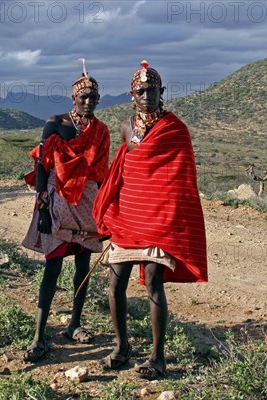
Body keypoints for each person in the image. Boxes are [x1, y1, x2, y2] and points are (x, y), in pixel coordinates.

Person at [93, 61, 208, 380]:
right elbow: (124, 171)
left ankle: (158, 357)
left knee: (154, 282)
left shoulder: (175, 128)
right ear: (132, 95)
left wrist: (171, 217)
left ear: (162, 92)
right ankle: (121, 348)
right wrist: (110, 210)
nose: (147, 95)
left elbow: (178, 179)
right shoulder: (126, 127)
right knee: (116, 282)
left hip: (158, 219)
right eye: (141, 91)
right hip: (128, 217)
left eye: (152, 90)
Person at [21, 61, 110, 362]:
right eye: (83, 97)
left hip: (87, 202)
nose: (88, 103)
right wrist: (42, 207)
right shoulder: (55, 124)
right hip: (57, 200)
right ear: (73, 98)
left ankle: (74, 323)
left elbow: (101, 173)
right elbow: (42, 164)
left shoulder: (101, 131)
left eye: (93, 98)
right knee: (53, 266)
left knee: (83, 265)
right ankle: (38, 335)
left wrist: (105, 210)